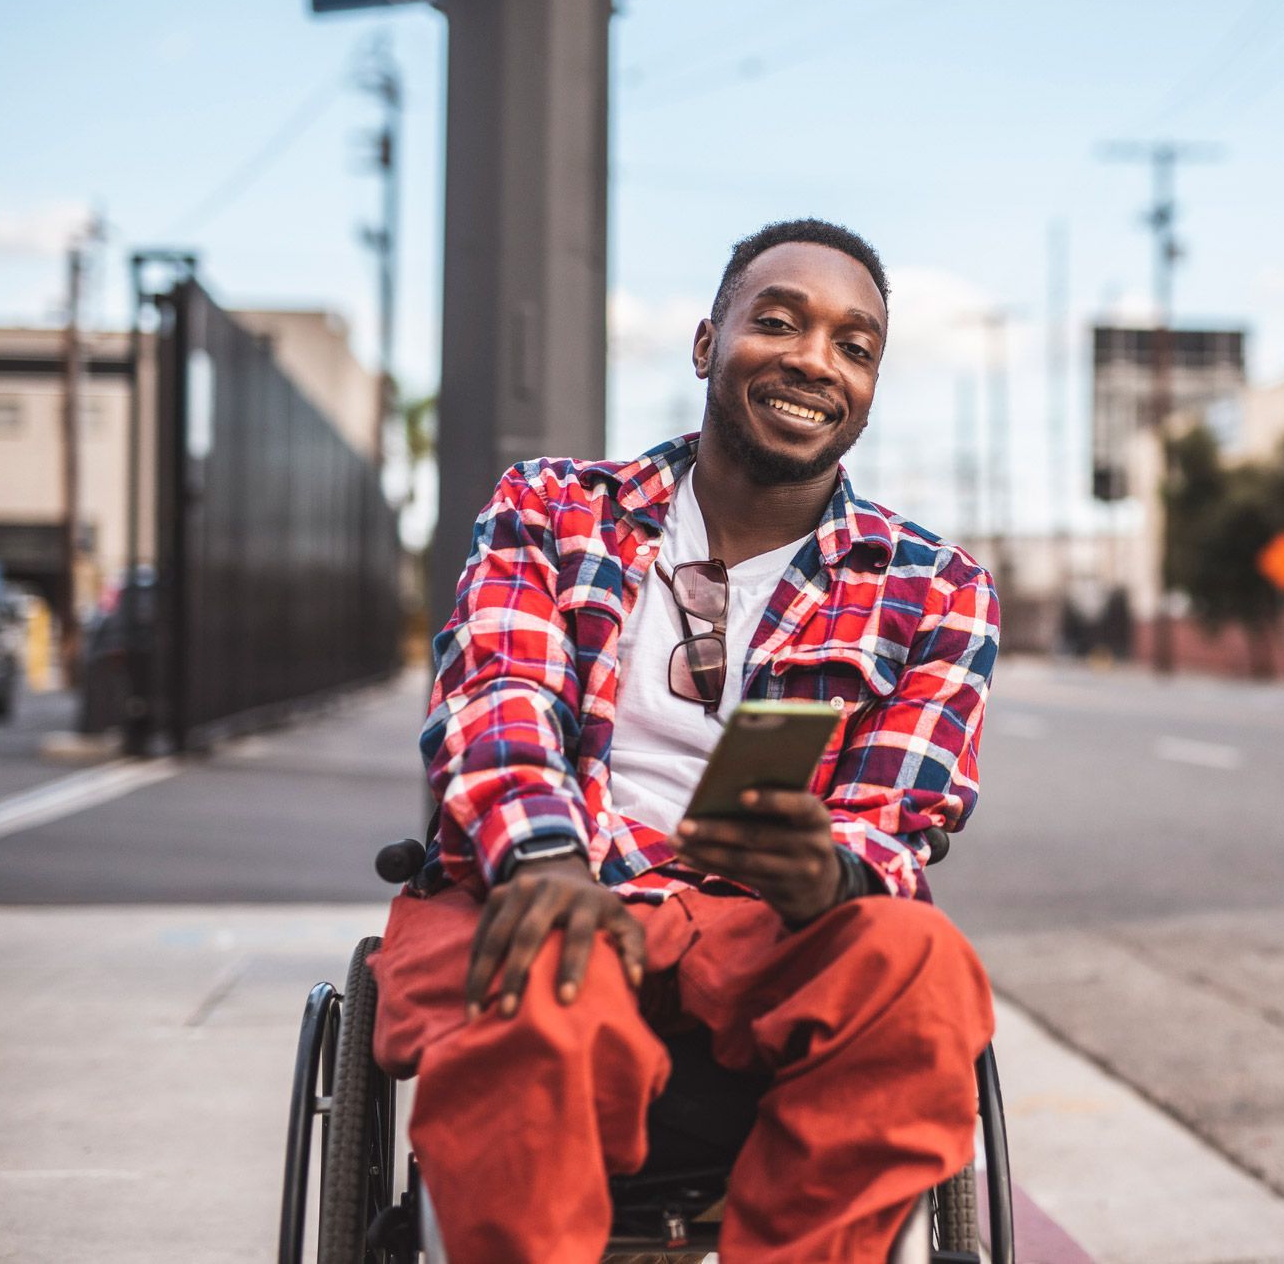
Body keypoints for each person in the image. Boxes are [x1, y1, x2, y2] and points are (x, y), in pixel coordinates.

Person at [372, 218, 1000, 1263]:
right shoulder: (554, 508)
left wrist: (827, 873)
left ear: (871, 385)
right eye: (779, 320)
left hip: (761, 925)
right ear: (708, 344)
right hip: (561, 878)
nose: (813, 358)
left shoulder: (933, 587)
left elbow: (896, 820)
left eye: (854, 344)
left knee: (922, 966)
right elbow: (500, 694)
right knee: (542, 978)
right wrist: (542, 858)